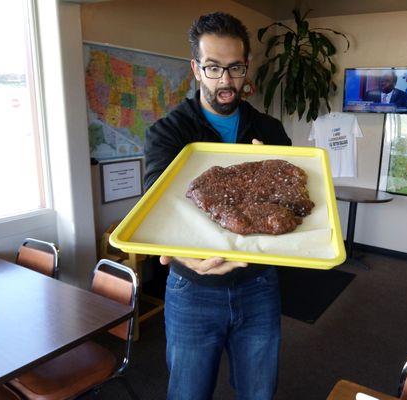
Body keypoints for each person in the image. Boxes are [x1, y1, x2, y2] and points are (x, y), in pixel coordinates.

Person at [144, 12, 291, 400]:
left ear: (246, 67)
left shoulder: (270, 132)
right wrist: (178, 253)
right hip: (192, 289)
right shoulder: (168, 133)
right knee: (188, 394)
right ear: (196, 68)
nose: (225, 81)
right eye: (213, 68)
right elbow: (155, 206)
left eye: (235, 68)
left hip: (258, 284)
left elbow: (293, 207)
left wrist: (274, 171)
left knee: (259, 392)